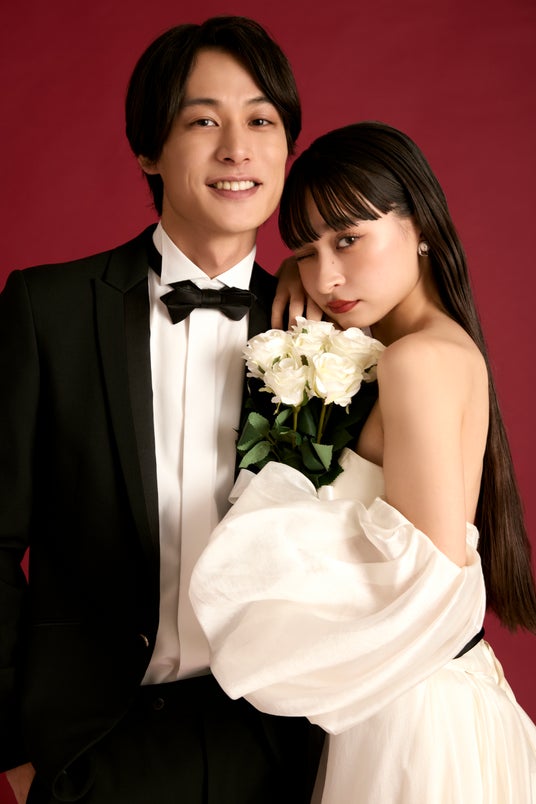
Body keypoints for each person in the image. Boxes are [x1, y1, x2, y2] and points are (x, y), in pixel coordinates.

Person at [0, 16, 324, 804]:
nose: (237, 149)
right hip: (93, 746)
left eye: (261, 121)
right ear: (149, 149)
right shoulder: (48, 309)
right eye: (203, 121)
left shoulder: (325, 335)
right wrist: (15, 752)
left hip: (274, 747)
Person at [190, 121, 536, 802]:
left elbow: (430, 585)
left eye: (347, 240)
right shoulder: (426, 347)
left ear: (421, 224)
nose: (326, 277)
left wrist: (267, 558)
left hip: (416, 720)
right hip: (409, 701)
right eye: (305, 251)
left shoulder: (416, 361)